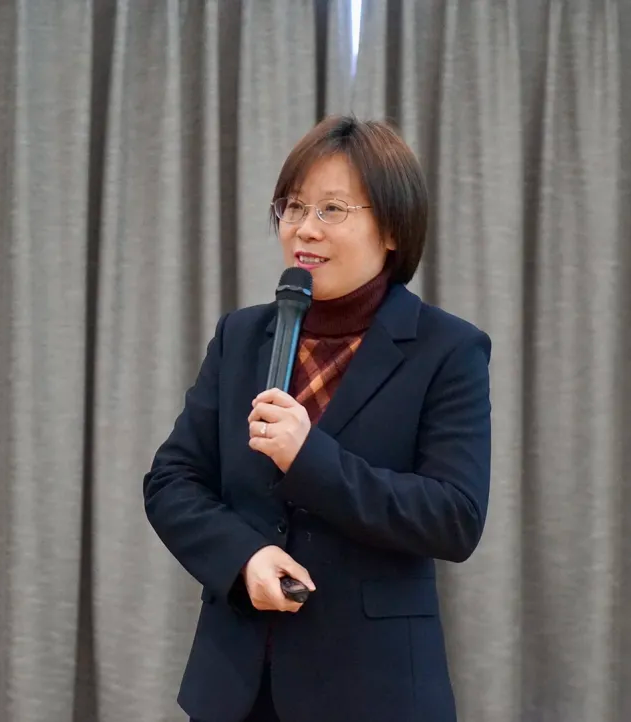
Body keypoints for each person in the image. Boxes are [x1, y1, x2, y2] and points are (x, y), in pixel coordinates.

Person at [143, 115, 492, 722]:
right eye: (294, 206)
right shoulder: (242, 336)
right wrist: (243, 558)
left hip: (374, 690)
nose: (304, 228)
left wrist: (310, 460)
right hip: (237, 688)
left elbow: (454, 517)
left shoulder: (447, 349)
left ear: (393, 228)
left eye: (332, 209)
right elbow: (172, 480)